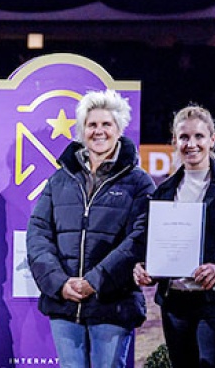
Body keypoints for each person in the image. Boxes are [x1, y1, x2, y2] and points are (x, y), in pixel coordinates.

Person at [26, 89, 155, 368]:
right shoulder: (60, 179)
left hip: (112, 304)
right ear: (82, 130)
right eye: (92, 124)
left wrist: (94, 281)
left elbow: (140, 239)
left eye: (106, 124)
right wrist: (60, 283)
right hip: (65, 304)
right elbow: (38, 233)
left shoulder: (139, 182)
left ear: (119, 128)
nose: (99, 131)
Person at [133, 105, 215, 366]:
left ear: (212, 139)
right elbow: (151, 246)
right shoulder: (162, 192)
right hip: (175, 306)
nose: (191, 144)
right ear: (174, 141)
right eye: (184, 137)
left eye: (199, 136)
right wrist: (145, 268)